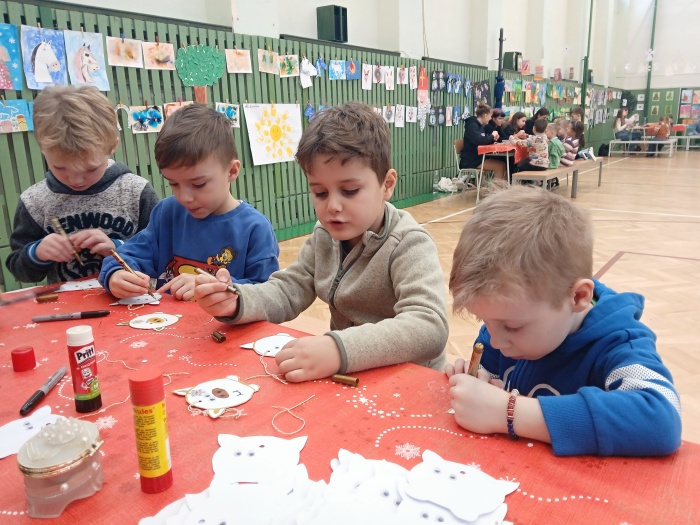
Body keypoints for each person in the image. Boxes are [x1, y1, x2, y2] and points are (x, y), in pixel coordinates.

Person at [193, 102, 448, 383]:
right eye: (320, 193)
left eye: (350, 190)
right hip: (353, 375)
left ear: (387, 185)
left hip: (411, 381)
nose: (333, 206)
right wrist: (238, 300)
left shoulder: (408, 243)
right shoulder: (324, 235)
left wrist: (337, 349)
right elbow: (289, 289)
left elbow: (429, 327)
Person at [446, 186, 682, 457]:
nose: (495, 340)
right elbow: (494, 383)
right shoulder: (502, 325)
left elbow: (662, 418)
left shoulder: (619, 344)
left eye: (512, 327)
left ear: (578, 296)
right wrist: (482, 382)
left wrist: (508, 412)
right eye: (483, 320)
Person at [99, 104, 279, 301]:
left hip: (225, 321)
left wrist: (217, 287)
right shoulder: (167, 213)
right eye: (173, 183)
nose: (184, 197)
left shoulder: (255, 228)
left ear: (232, 171)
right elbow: (126, 256)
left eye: (198, 184)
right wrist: (116, 274)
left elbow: (267, 295)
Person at [6, 85, 159, 284]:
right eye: (60, 168)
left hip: (132, 300)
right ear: (43, 148)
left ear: (113, 146)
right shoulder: (34, 202)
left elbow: (161, 251)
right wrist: (37, 252)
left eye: (90, 169)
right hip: (67, 303)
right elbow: (19, 270)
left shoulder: (136, 192)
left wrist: (118, 248)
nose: (75, 180)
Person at [459, 104, 507, 181]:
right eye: (490, 116)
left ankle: (502, 187)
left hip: (478, 157)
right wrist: (492, 136)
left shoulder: (480, 126)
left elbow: (483, 140)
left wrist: (493, 139)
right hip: (470, 160)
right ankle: (497, 188)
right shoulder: (472, 126)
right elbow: (479, 141)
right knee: (499, 167)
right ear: (485, 115)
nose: (490, 119)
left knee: (503, 164)